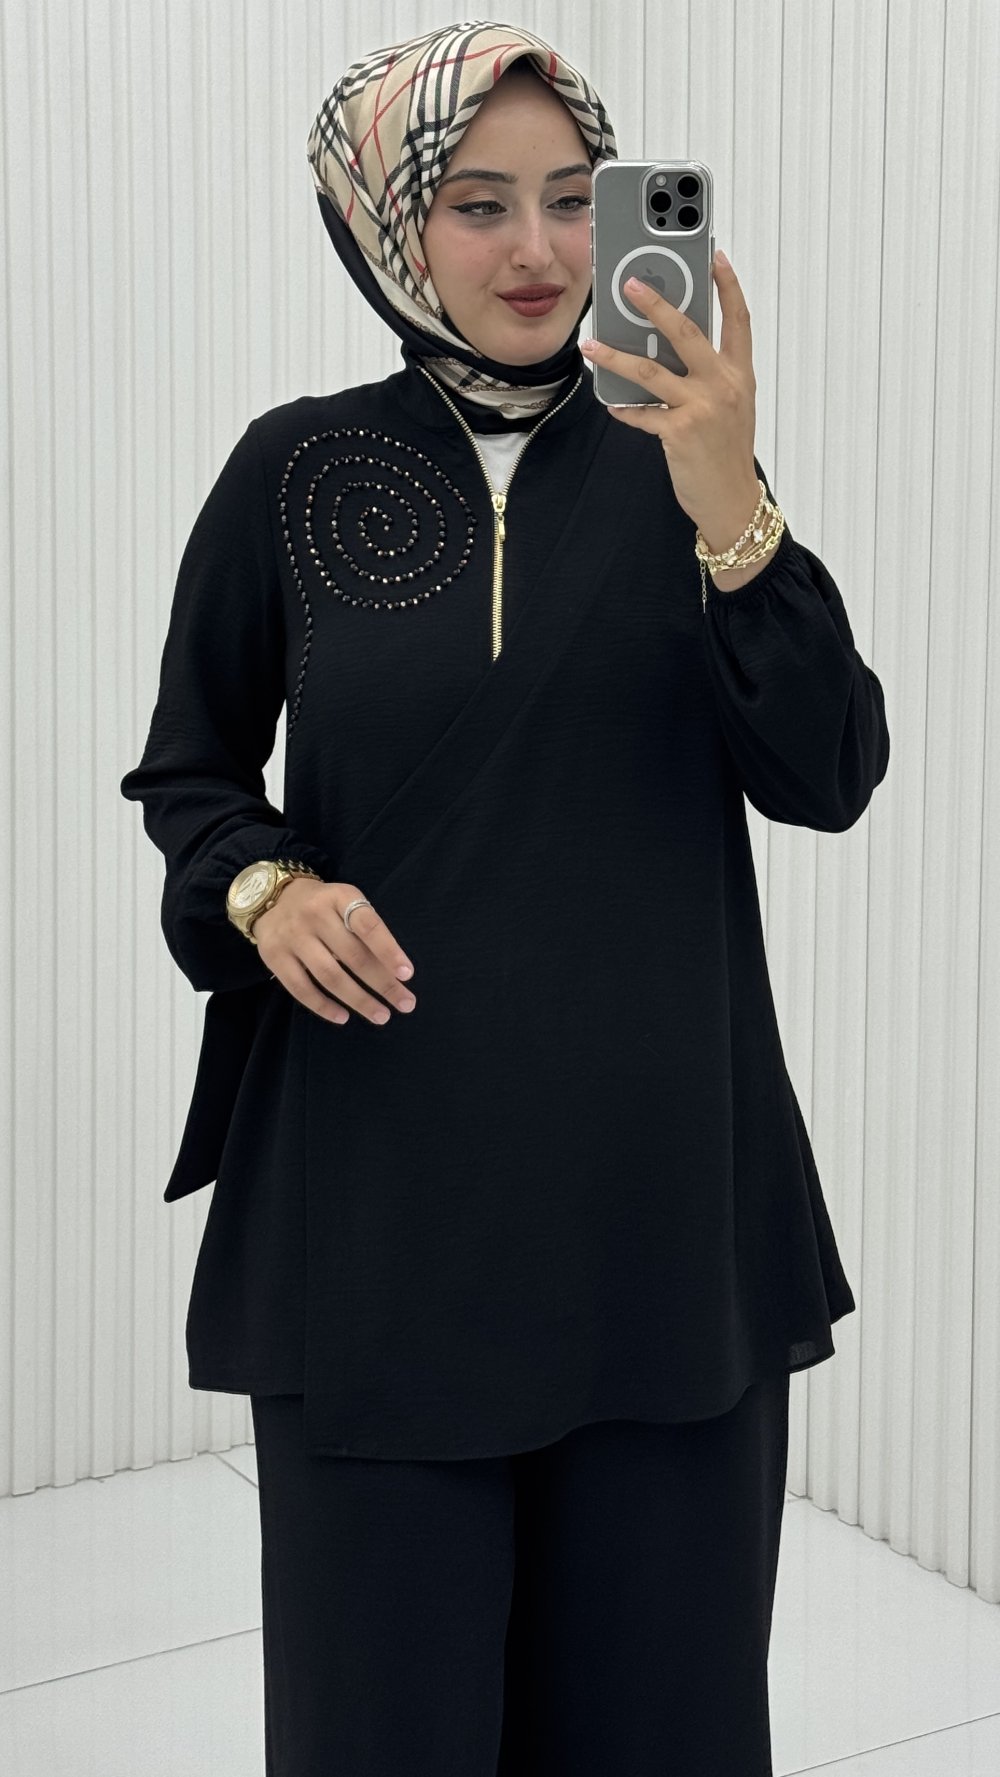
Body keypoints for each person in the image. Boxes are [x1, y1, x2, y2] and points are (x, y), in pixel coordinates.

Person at [119, 19, 890, 1776]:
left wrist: (733, 506)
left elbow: (831, 771)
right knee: (381, 1726)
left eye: (569, 198)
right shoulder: (296, 471)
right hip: (381, 1219)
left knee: (660, 1724)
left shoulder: (685, 471)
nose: (536, 250)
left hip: (660, 1221)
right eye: (477, 203)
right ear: (388, 224)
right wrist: (263, 888)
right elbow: (191, 775)